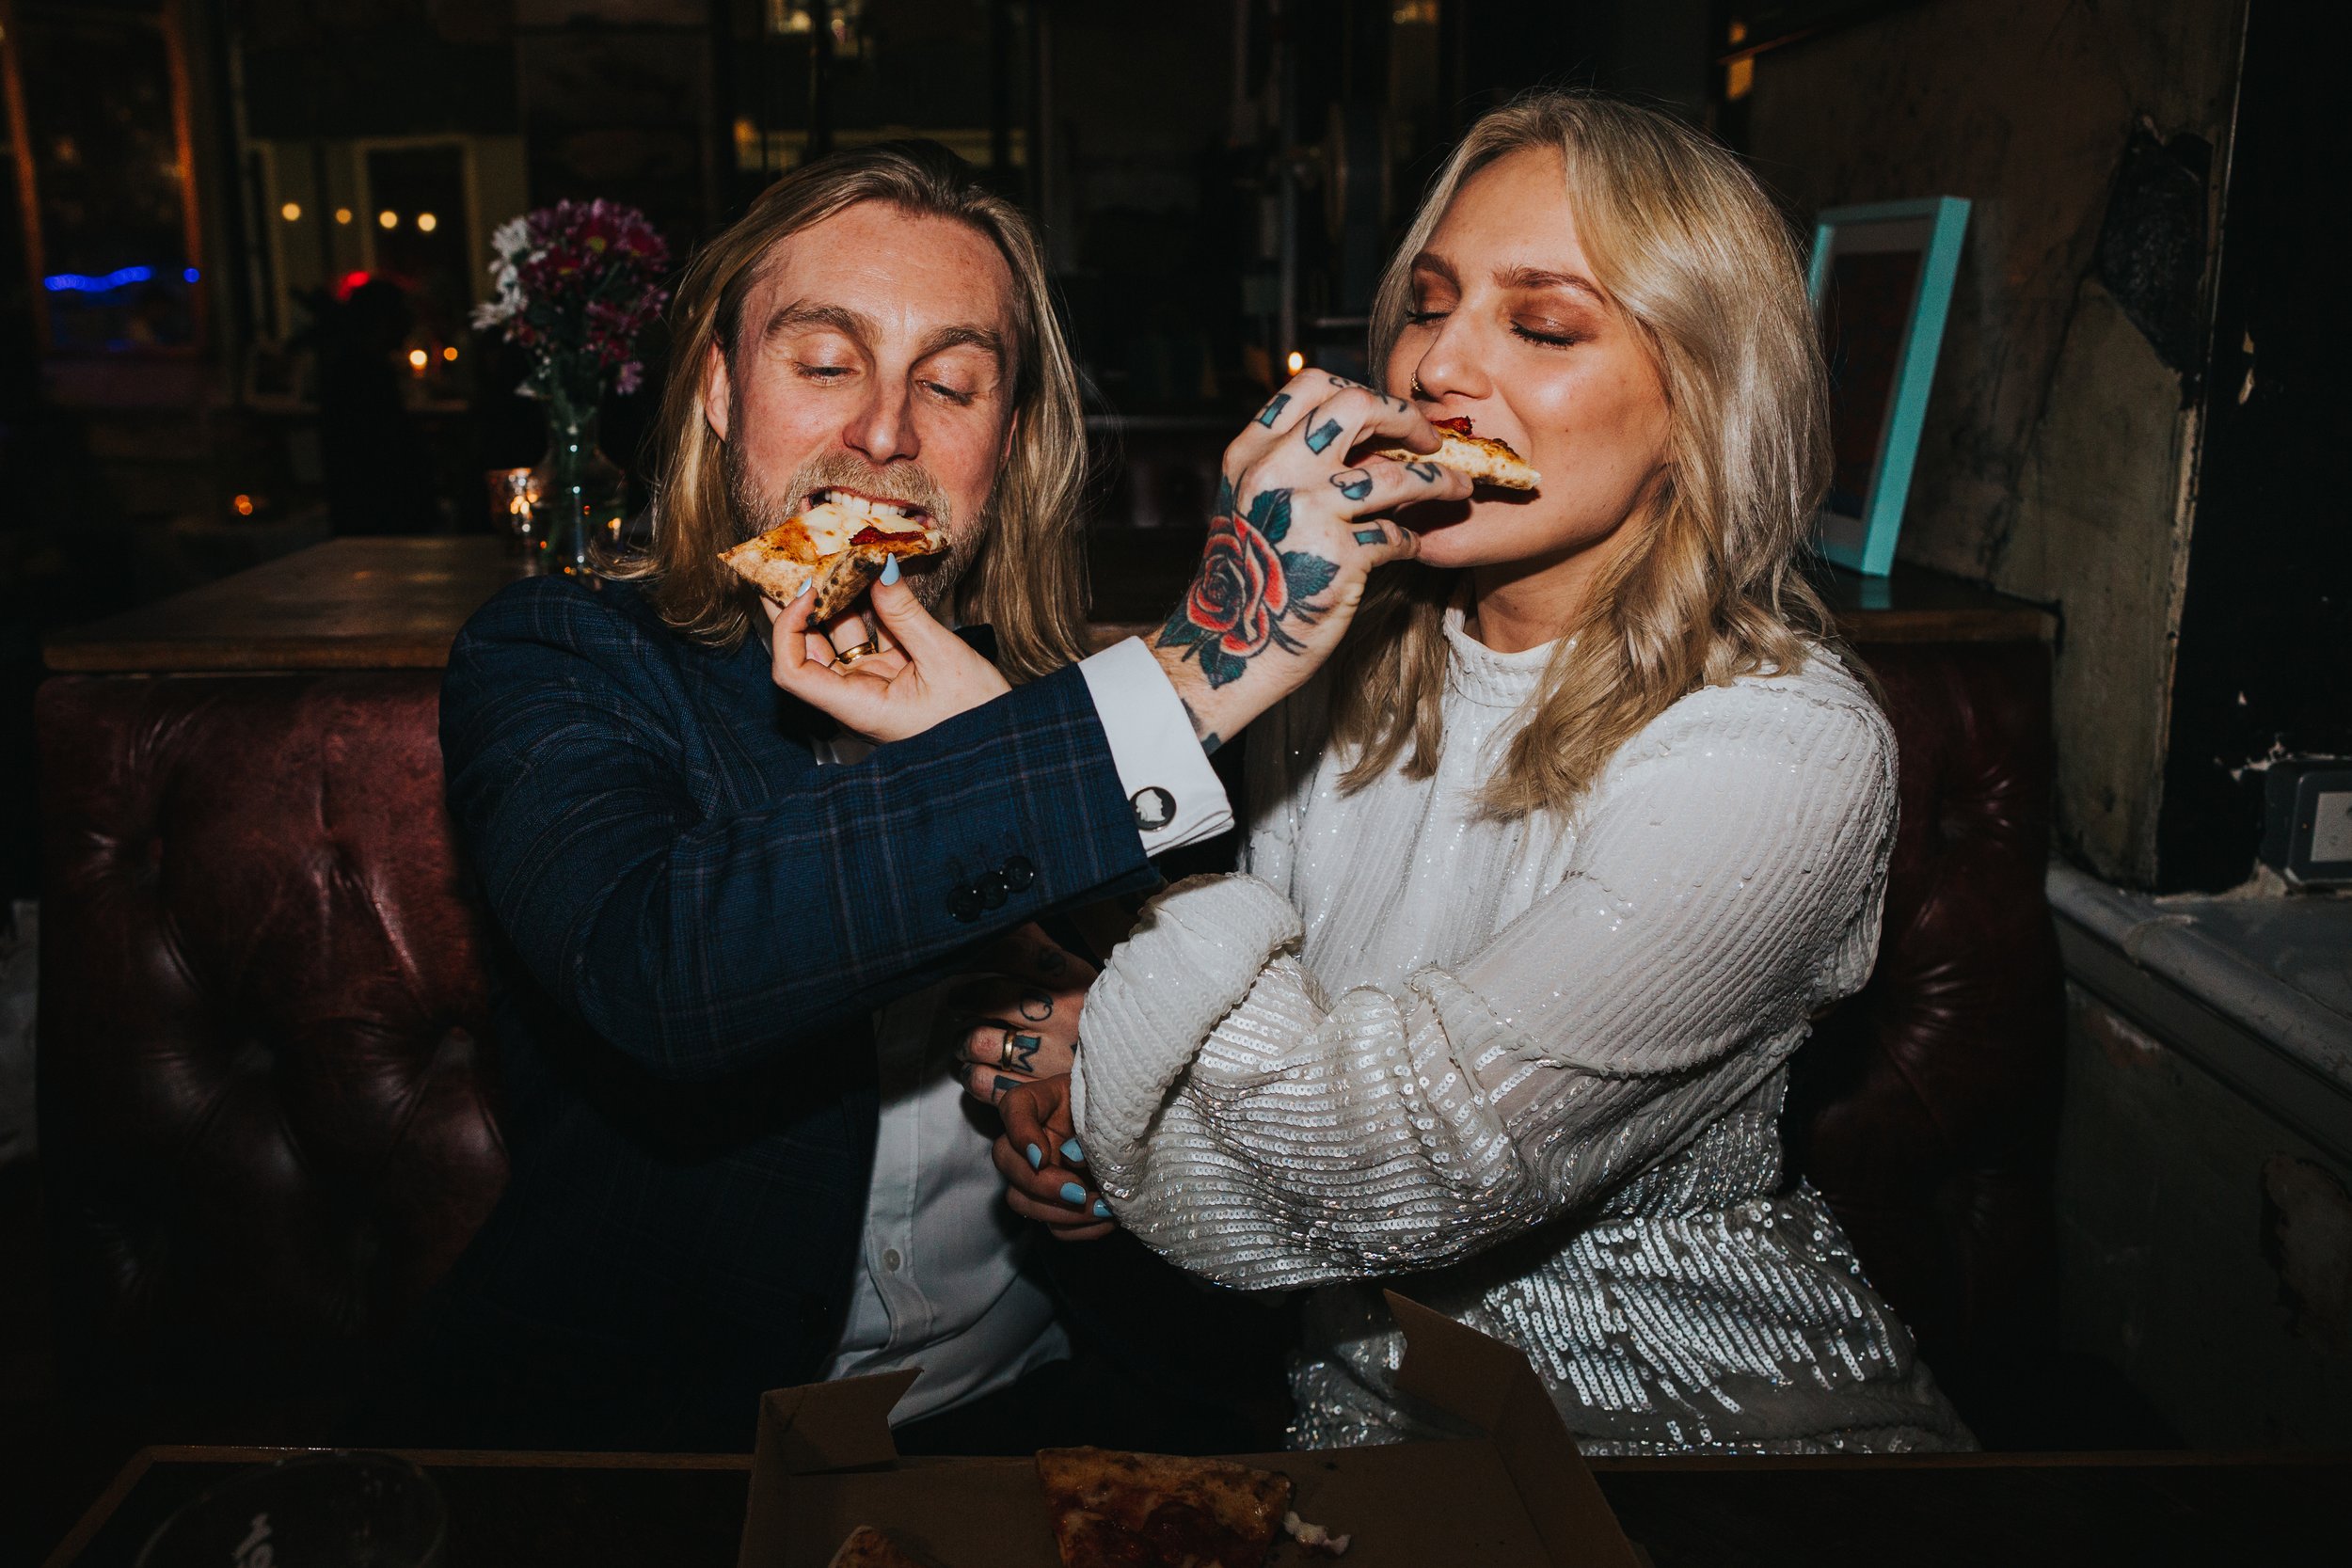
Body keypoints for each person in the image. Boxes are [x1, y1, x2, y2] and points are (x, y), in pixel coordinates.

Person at [788, 95, 1975, 1454]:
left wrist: (1043, 810)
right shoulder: (1348, 674)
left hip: (1708, 1460)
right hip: (1356, 1435)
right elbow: (1261, 1078)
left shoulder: (1784, 750)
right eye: (1426, 305)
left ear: (1700, 396)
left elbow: (1389, 1163)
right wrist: (1094, 1084)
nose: (1435, 371)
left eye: (1540, 326)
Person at [392, 142, 1463, 1451]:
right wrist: (1195, 668)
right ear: (721, 390)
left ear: (1007, 444)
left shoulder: (1073, 715)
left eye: (951, 383)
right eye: (824, 362)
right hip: (661, 1450)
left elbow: (1239, 1128)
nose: (885, 432)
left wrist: (1108, 1147)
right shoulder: (562, 657)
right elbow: (662, 966)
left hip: (1038, 1420)